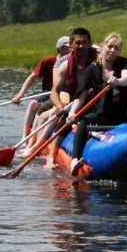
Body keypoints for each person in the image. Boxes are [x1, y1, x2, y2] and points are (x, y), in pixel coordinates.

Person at [65, 32, 127, 176]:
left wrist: (117, 81)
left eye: (116, 49)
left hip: (125, 114)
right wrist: (72, 113)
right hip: (104, 115)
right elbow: (81, 95)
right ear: (102, 46)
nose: (112, 51)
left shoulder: (123, 63)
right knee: (85, 120)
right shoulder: (92, 69)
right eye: (110, 47)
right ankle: (75, 159)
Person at [35, 27, 96, 166]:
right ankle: (51, 157)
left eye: (84, 43)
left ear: (90, 44)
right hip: (74, 104)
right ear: (71, 45)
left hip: (94, 103)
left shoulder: (97, 62)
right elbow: (54, 92)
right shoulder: (64, 66)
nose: (81, 46)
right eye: (78, 43)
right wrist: (59, 106)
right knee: (64, 120)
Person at [11, 35, 71, 139]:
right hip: (48, 93)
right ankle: (25, 137)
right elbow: (32, 77)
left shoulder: (74, 62)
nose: (72, 50)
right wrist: (21, 94)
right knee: (33, 103)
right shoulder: (47, 61)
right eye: (69, 47)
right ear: (60, 49)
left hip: (64, 94)